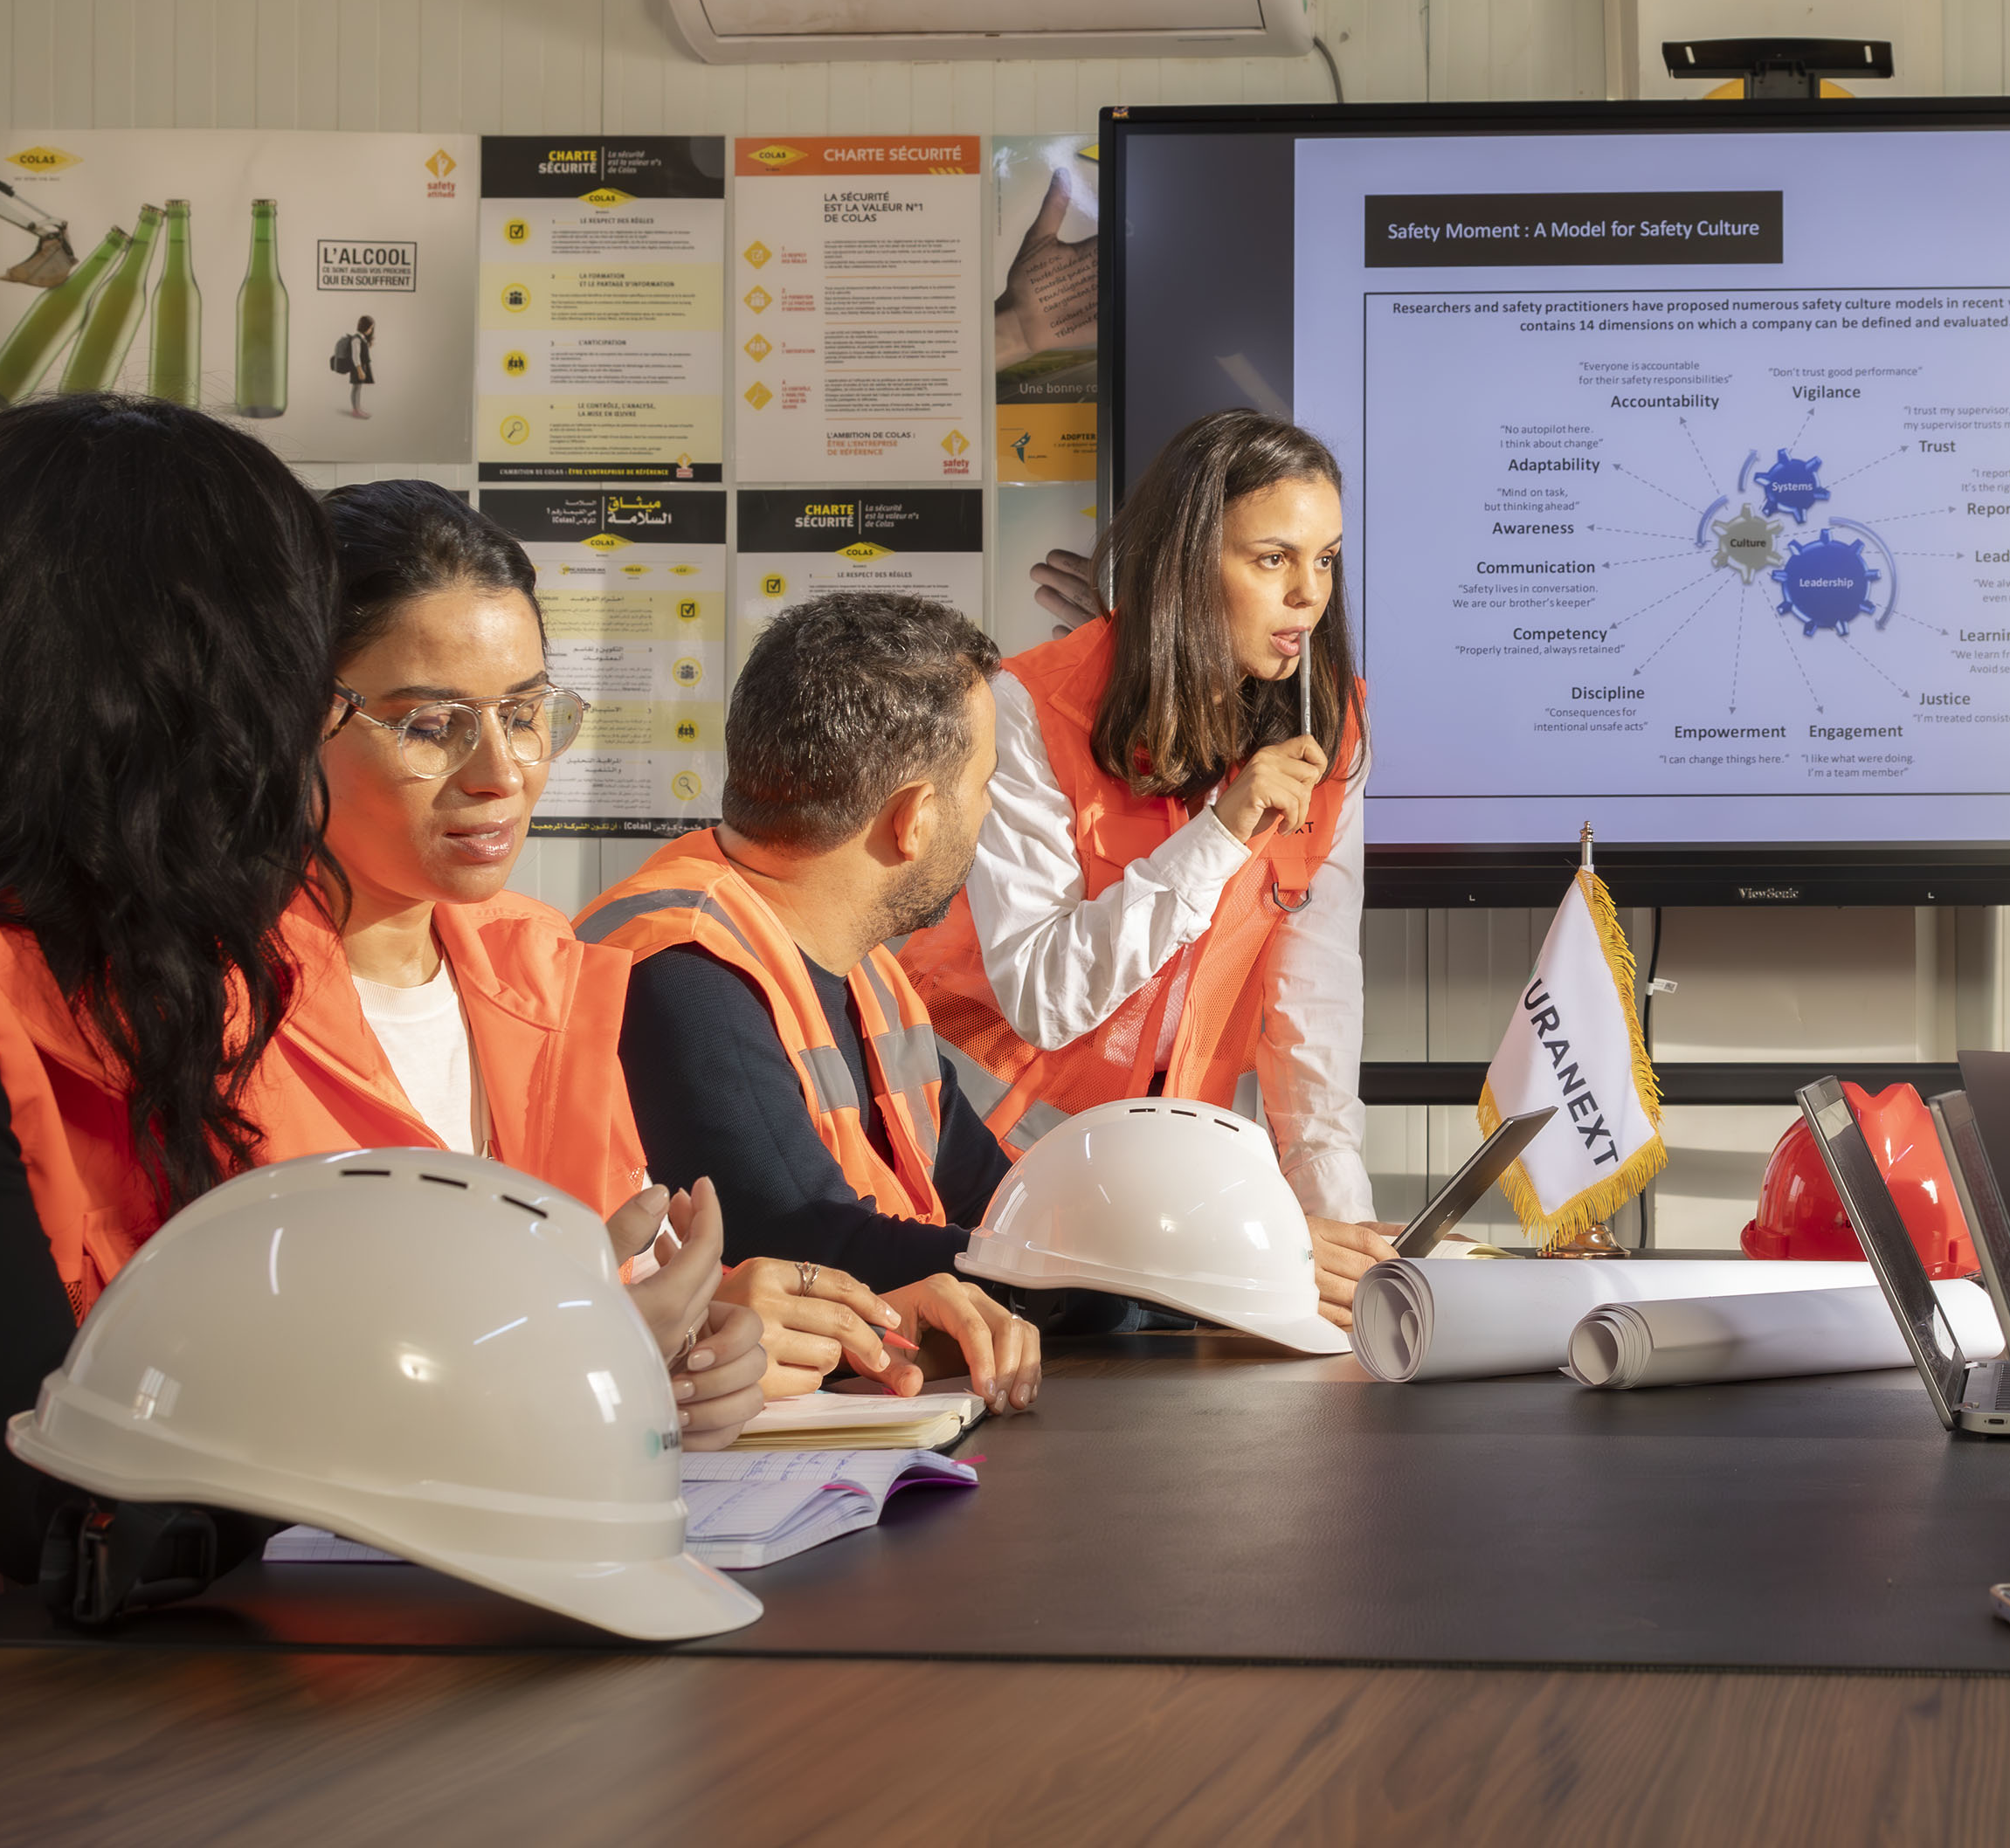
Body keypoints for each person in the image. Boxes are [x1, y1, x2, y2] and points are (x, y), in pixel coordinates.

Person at [0, 398, 766, 1660]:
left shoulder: (110, 976)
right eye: (283, 684)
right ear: (151, 697)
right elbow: (71, 1512)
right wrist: (515, 1393)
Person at [284, 481, 953, 1406]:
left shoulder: (546, 971)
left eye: (524, 714)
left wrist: (714, 1328)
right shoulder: (201, 1004)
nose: (503, 773)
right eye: (432, 726)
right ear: (288, 721)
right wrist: (588, 1354)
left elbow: (612, 1300)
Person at [898, 410, 1392, 1328]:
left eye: (1324, 560)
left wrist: (1347, 1249)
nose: (1307, 597)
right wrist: (1223, 828)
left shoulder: (1330, 726)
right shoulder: (1029, 706)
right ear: (1184, 562)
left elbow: (1311, 1019)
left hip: (1157, 1166)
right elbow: (1046, 998)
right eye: (1271, 559)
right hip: (982, 1147)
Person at [580, 592, 1043, 1408]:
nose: (989, 813)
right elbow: (807, 1238)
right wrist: (1109, 1288)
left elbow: (1011, 1210)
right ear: (917, 820)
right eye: (985, 787)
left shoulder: (872, 979)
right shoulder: (682, 966)